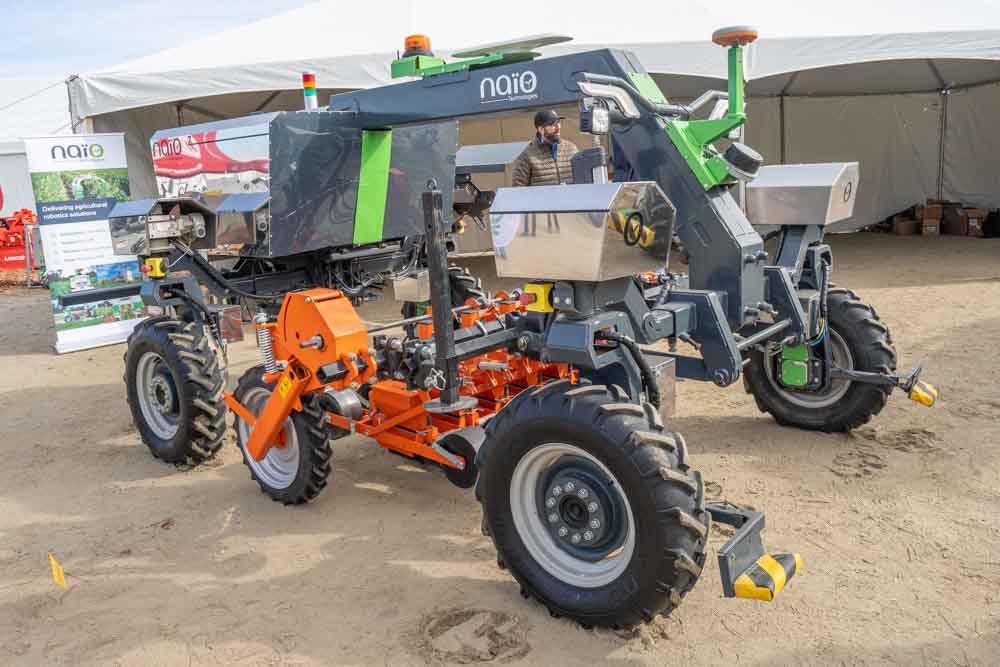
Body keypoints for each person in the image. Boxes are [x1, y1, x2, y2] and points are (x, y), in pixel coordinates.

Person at [511, 110, 578, 235]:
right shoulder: (527, 155)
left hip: (572, 217)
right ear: (541, 129)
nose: (558, 127)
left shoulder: (571, 148)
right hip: (544, 222)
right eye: (552, 124)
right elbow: (518, 191)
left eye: (558, 123)